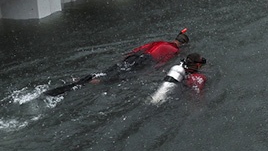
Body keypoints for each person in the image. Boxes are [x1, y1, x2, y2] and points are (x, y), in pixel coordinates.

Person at [44, 29, 190, 96]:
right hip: (146, 61)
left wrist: (127, 55)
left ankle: (80, 79)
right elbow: (162, 63)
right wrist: (152, 71)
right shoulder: (174, 51)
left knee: (112, 69)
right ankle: (94, 82)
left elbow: (140, 48)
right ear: (182, 44)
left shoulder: (160, 41)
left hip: (137, 56)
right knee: (120, 77)